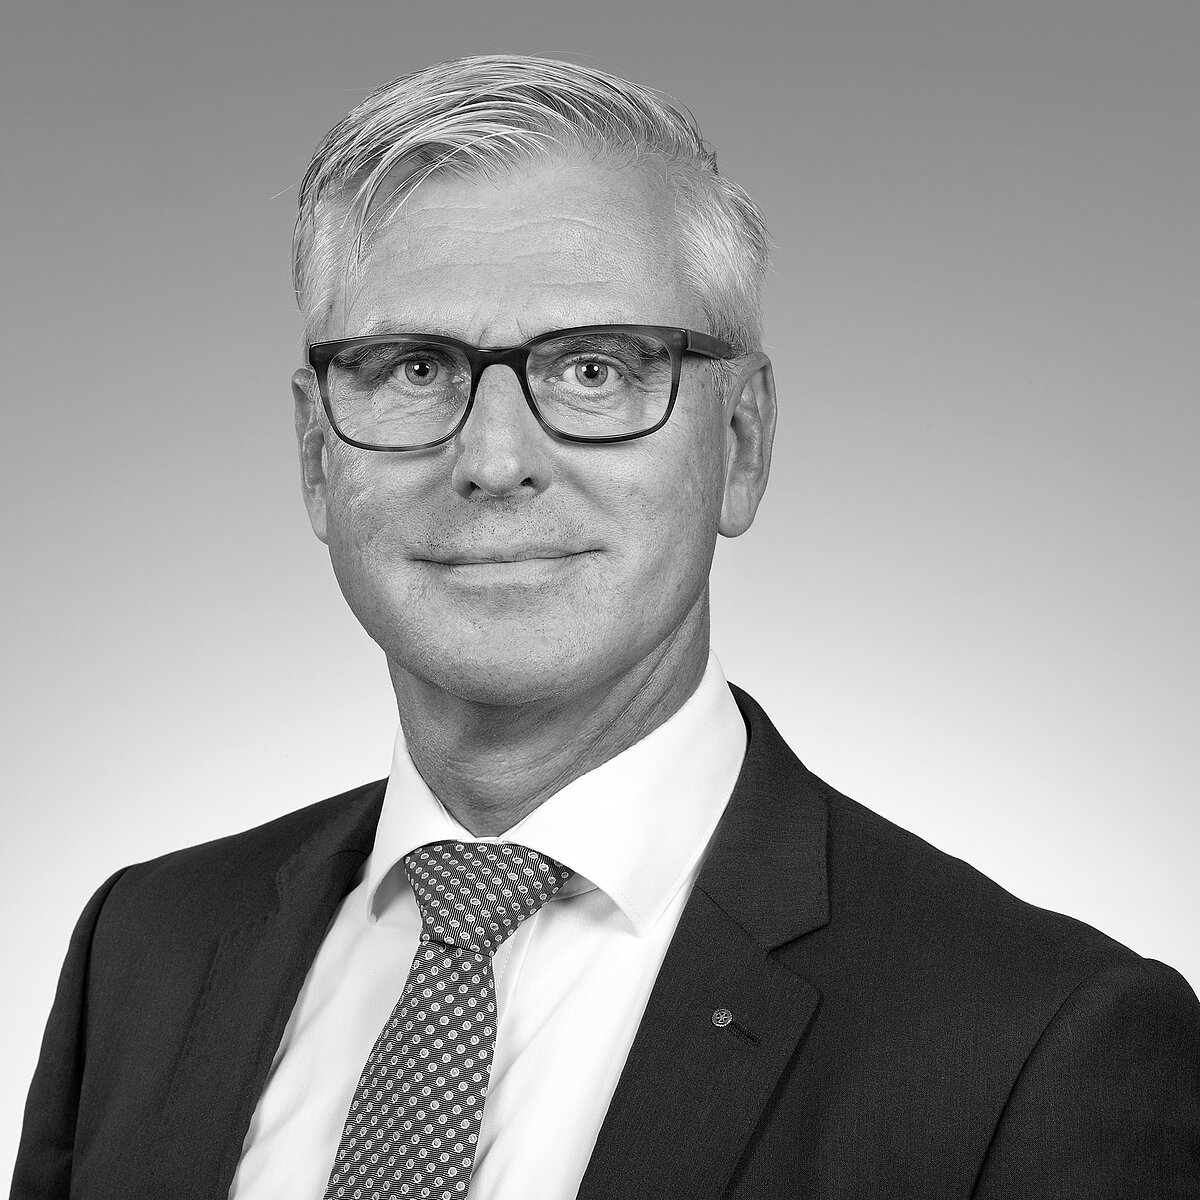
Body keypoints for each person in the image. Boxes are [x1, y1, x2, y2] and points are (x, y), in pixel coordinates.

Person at [10, 53, 1200, 1200]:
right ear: (318, 457)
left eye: (593, 369)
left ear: (741, 444)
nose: (493, 461)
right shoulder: (144, 949)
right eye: (413, 368)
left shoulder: (1037, 1044)